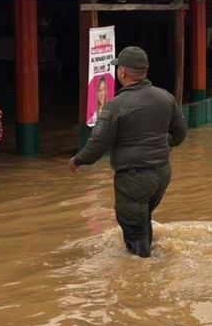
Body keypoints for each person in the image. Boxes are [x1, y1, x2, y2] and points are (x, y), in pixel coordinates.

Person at [69, 46, 187, 258]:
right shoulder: (166, 97)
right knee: (143, 219)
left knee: (134, 233)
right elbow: (180, 133)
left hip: (134, 178)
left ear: (122, 72)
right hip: (162, 173)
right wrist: (165, 144)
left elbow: (98, 144)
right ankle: (150, 257)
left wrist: (78, 160)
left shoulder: (115, 106)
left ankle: (142, 278)